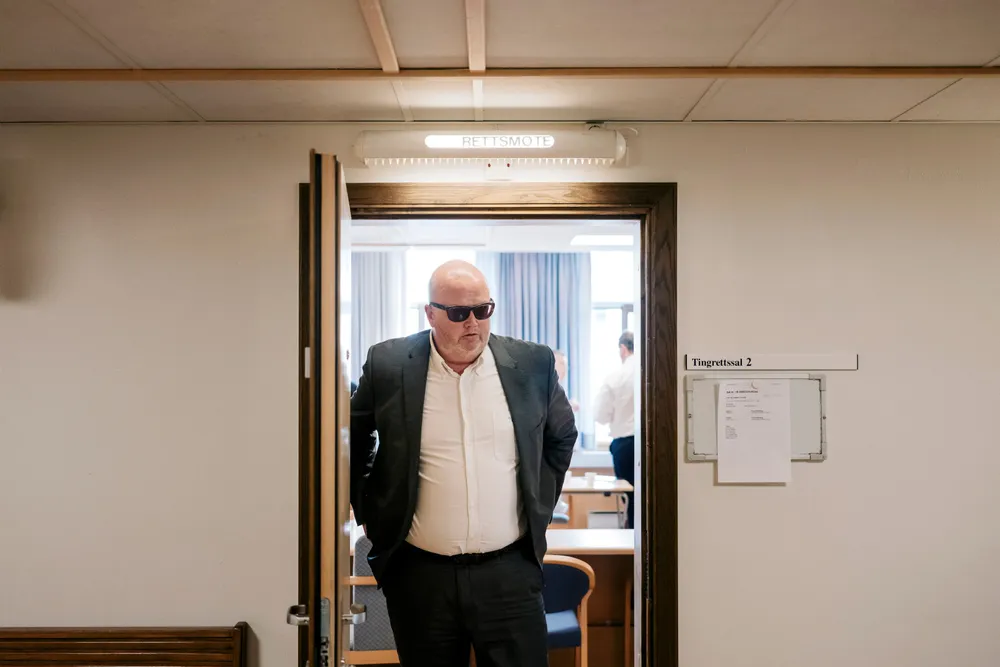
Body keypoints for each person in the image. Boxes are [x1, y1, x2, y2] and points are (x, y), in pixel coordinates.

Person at [350, 259, 578, 667]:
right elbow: (353, 436)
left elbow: (561, 436)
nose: (473, 324)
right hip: (420, 577)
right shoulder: (388, 365)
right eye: (458, 313)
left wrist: (538, 505)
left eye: (482, 310)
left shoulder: (531, 364)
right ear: (431, 313)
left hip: (509, 574)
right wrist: (369, 510)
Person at [594, 331, 637, 528]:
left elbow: (600, 416)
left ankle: (632, 538)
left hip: (625, 444)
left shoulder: (615, 377)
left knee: (629, 496)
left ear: (623, 348)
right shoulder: (650, 373)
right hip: (650, 442)